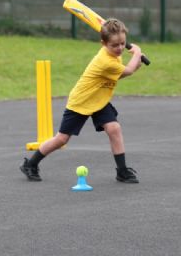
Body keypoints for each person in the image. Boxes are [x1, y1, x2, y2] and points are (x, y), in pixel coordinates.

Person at [20, 18, 143, 184]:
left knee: (114, 128)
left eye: (122, 43)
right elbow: (128, 71)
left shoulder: (114, 55)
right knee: (61, 139)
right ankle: (31, 164)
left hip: (99, 100)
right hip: (81, 102)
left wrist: (136, 63)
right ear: (103, 44)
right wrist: (136, 54)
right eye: (115, 45)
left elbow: (126, 71)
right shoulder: (105, 61)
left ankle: (122, 171)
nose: (120, 48)